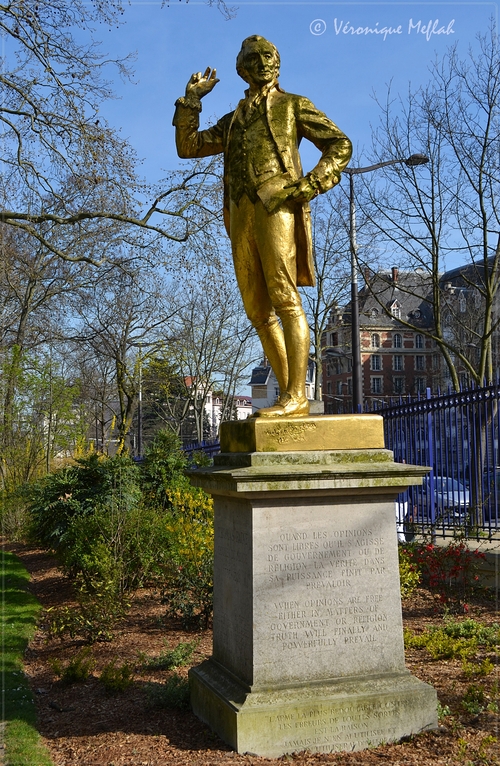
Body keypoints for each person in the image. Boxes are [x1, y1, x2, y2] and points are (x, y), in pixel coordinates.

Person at [173, 35, 352, 418]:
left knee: (285, 297)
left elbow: (339, 144)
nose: (264, 62)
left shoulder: (292, 106)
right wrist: (192, 101)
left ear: (278, 63)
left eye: (270, 55)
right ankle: (289, 398)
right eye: (254, 57)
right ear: (242, 67)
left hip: (276, 204)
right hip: (240, 212)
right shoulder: (234, 119)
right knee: (256, 309)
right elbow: (188, 146)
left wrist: (309, 185)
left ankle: (297, 396)